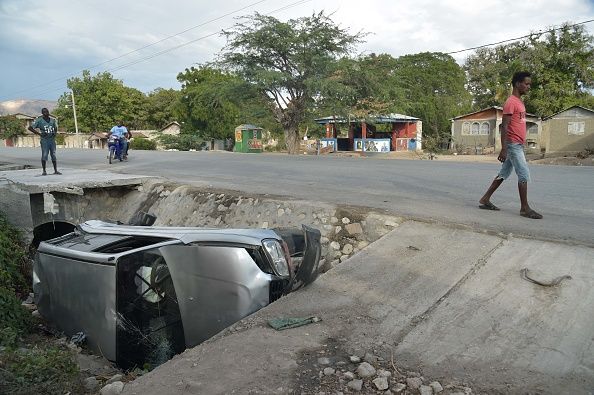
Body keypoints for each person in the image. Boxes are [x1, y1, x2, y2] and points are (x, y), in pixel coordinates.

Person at [479, 71, 542, 219]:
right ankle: (524, 208)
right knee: (524, 174)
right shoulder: (511, 102)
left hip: (517, 144)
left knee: (504, 173)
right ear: (518, 84)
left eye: (529, 84)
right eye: (526, 84)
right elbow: (505, 126)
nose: (528, 87)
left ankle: (485, 199)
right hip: (512, 144)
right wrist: (504, 149)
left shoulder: (519, 102)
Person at [28, 108, 61, 175]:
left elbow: (55, 127)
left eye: (47, 111)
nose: (46, 113)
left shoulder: (52, 120)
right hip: (45, 140)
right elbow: (30, 128)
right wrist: (39, 134)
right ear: (42, 113)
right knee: (45, 155)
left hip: (52, 140)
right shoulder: (39, 120)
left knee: (53, 155)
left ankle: (55, 170)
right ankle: (44, 171)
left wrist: (55, 133)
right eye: (44, 112)